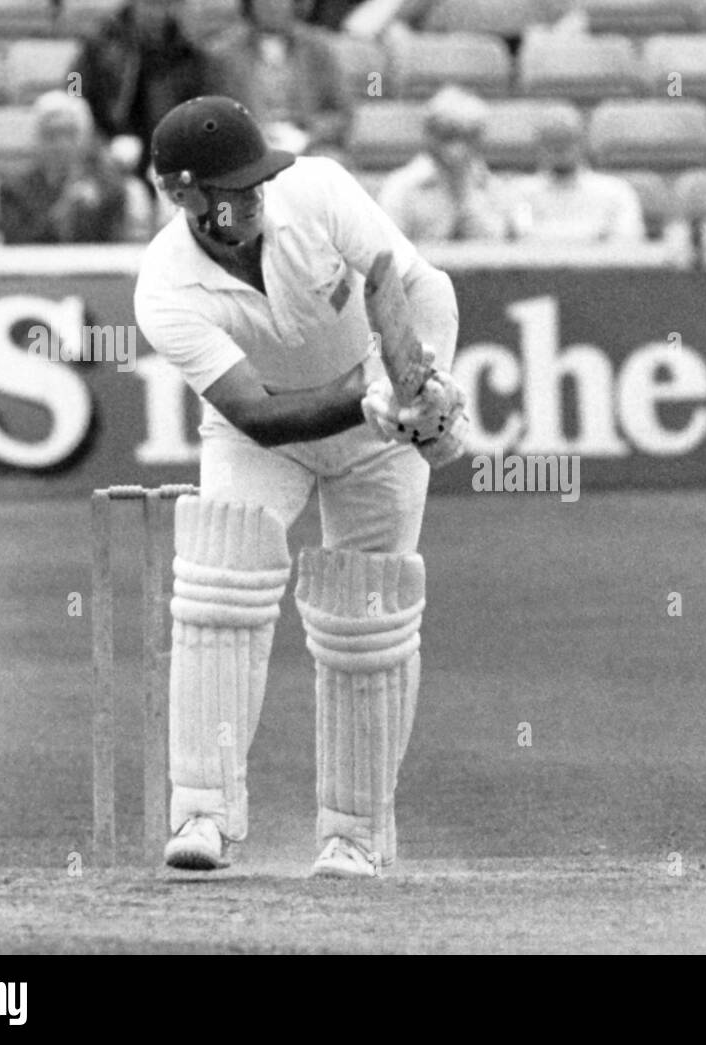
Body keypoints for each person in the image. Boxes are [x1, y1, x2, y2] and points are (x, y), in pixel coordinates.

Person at [134, 96, 467, 877]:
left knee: (367, 614)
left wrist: (410, 379)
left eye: (257, 182)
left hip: (380, 391)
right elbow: (255, 415)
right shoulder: (164, 288)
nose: (253, 198)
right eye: (233, 189)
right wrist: (369, 402)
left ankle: (353, 832)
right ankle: (203, 814)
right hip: (275, 427)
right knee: (220, 577)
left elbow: (393, 275)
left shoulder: (314, 188)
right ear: (183, 195)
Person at [71, 0, 221, 178]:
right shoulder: (100, 43)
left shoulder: (190, 55)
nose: (155, 12)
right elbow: (74, 83)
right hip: (109, 152)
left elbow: (207, 112)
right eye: (149, 3)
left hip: (171, 160)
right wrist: (98, 143)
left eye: (162, 4)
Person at [0, 92, 154, 244]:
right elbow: (16, 243)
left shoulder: (109, 188)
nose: (61, 145)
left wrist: (89, 213)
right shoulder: (13, 189)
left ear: (83, 139)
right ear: (37, 139)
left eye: (69, 134)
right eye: (51, 134)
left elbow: (114, 247)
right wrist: (64, 210)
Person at [376, 85, 518, 242]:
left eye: (468, 136)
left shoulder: (495, 189)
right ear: (430, 134)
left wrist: (464, 196)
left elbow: (512, 242)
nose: (458, 146)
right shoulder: (401, 188)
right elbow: (388, 252)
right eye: (448, 135)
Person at [208, 0, 348, 149]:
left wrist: (306, 137)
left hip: (311, 147)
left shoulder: (318, 49)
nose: (272, 5)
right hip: (247, 150)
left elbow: (341, 114)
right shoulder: (224, 53)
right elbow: (214, 116)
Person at [512, 109, 644, 244]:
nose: (559, 150)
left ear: (584, 145)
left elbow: (627, 239)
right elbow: (524, 235)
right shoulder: (522, 193)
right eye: (551, 143)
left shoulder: (616, 191)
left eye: (567, 142)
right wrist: (595, 236)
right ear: (538, 148)